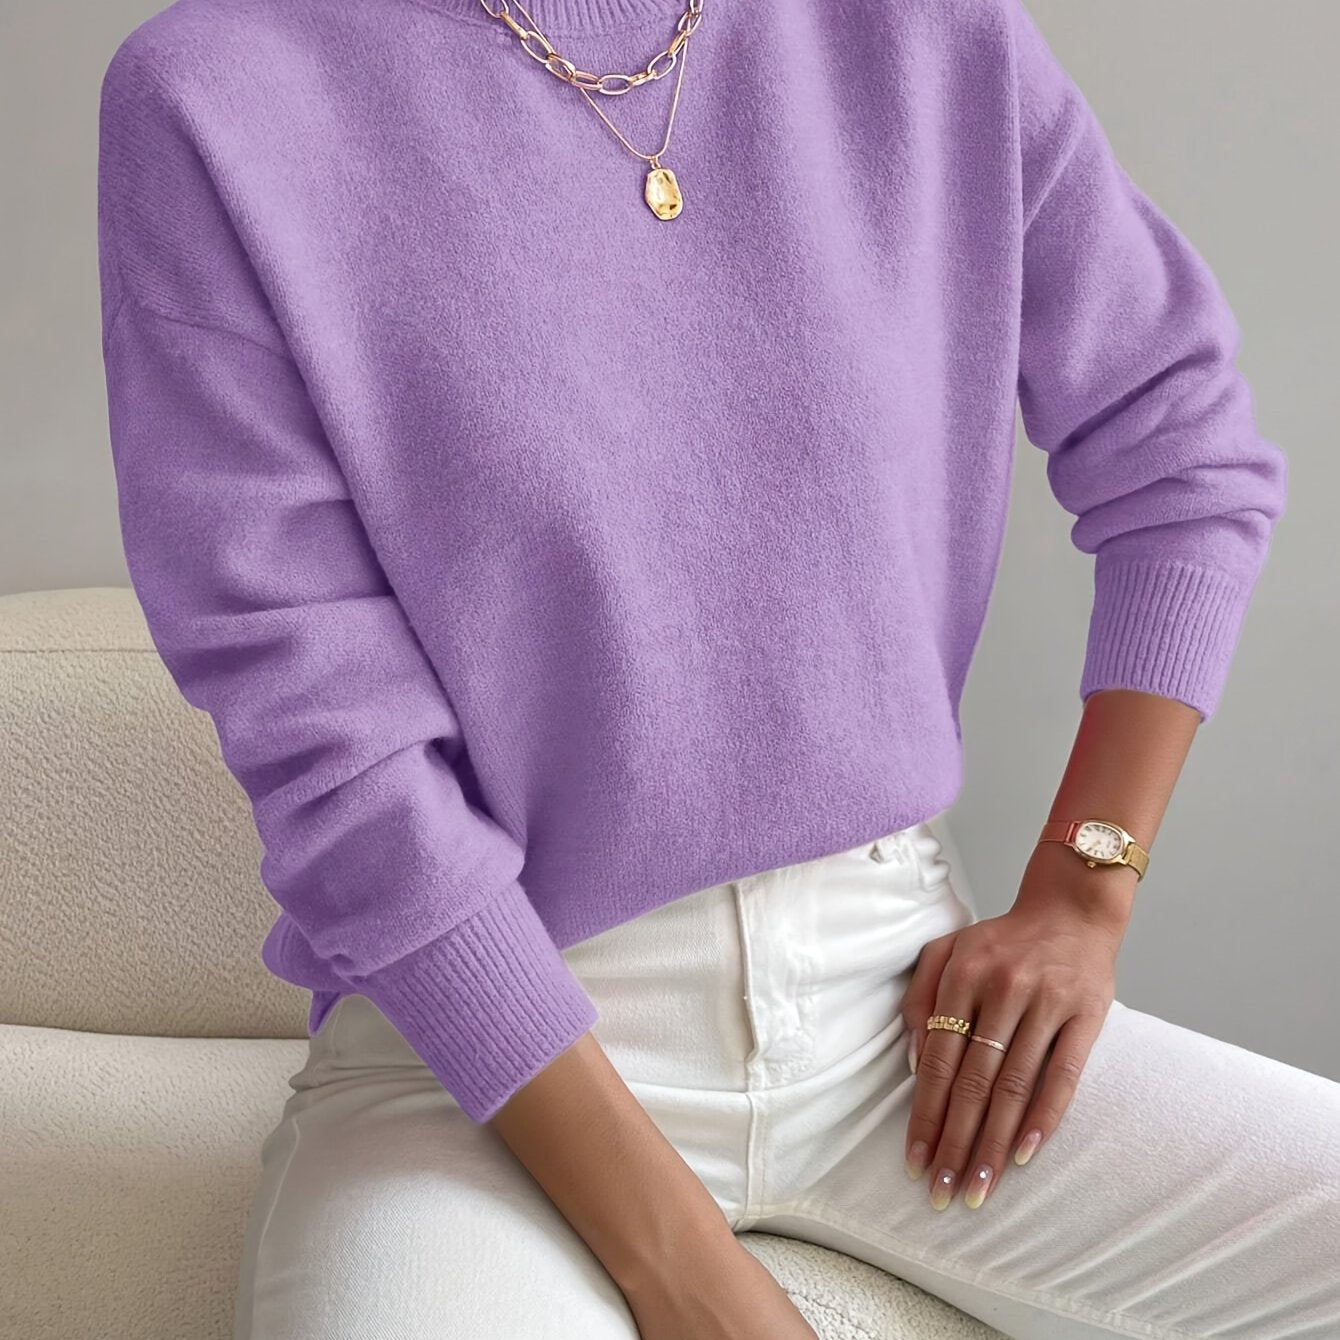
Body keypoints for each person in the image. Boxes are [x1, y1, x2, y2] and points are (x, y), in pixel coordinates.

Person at [95, 0, 1339, 1335]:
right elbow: (331, 749)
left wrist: (1086, 888)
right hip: (482, 1071)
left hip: (899, 1009)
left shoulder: (924, 31)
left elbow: (1183, 450)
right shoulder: (219, 93)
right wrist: (683, 1267)